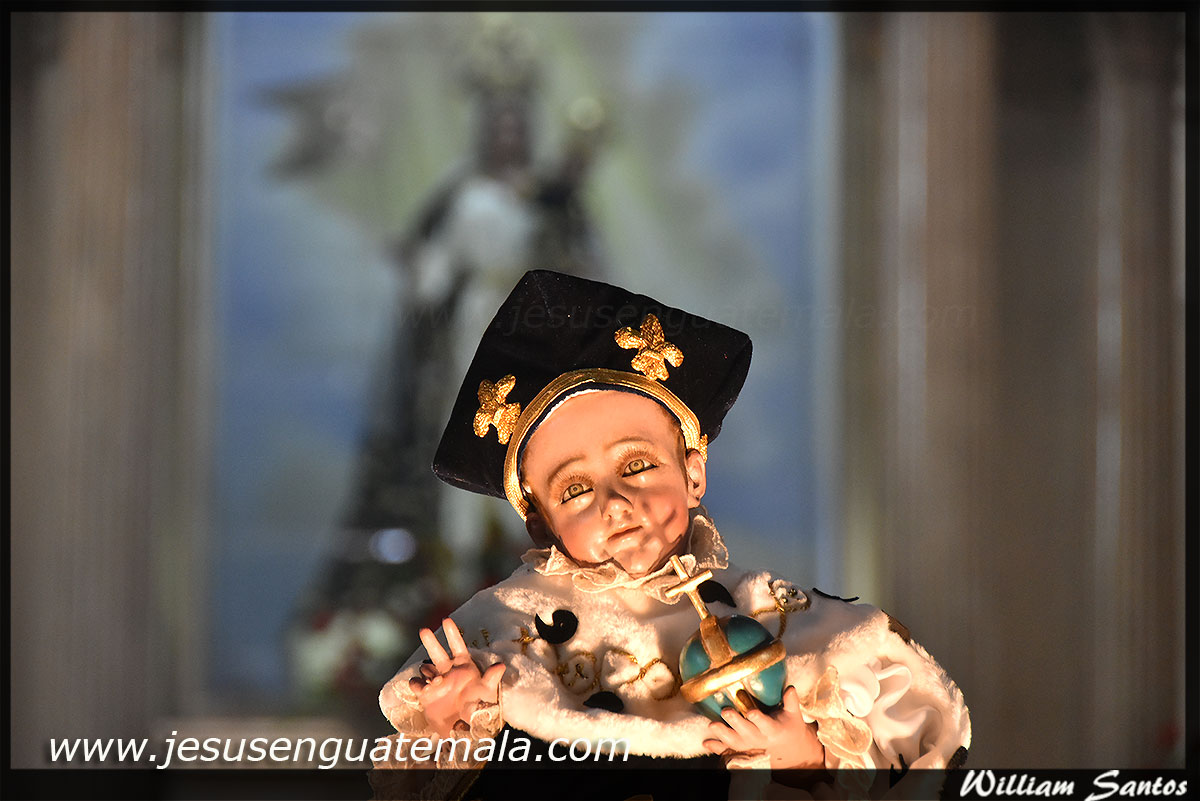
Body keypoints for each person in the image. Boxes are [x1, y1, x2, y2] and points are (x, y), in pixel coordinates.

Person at [372, 270, 970, 800]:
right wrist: (452, 723)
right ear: (541, 522)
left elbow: (906, 758)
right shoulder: (507, 629)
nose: (614, 503)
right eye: (575, 490)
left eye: (636, 465)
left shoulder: (775, 616)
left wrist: (804, 758)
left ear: (692, 474)